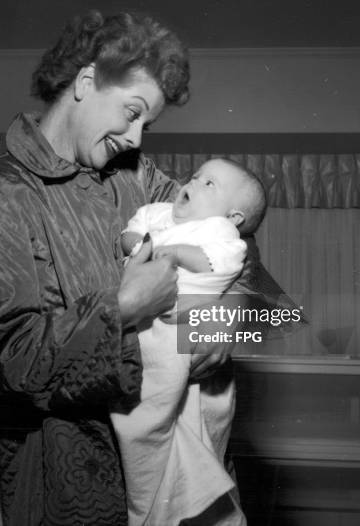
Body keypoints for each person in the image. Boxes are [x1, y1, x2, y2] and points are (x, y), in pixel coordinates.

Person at [0, 10, 265, 525]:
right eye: (132, 112)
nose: (138, 139)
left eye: (148, 123)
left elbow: (236, 247)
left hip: (181, 466)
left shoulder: (140, 180)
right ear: (87, 80)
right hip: (70, 486)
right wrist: (125, 306)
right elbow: (11, 365)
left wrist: (223, 316)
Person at [112, 158, 267, 526]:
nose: (194, 182)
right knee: (151, 419)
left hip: (188, 333)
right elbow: (131, 237)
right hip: (141, 336)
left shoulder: (215, 226)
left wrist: (227, 315)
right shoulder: (160, 211)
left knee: (196, 421)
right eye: (196, 176)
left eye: (208, 183)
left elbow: (239, 258)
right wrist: (145, 245)